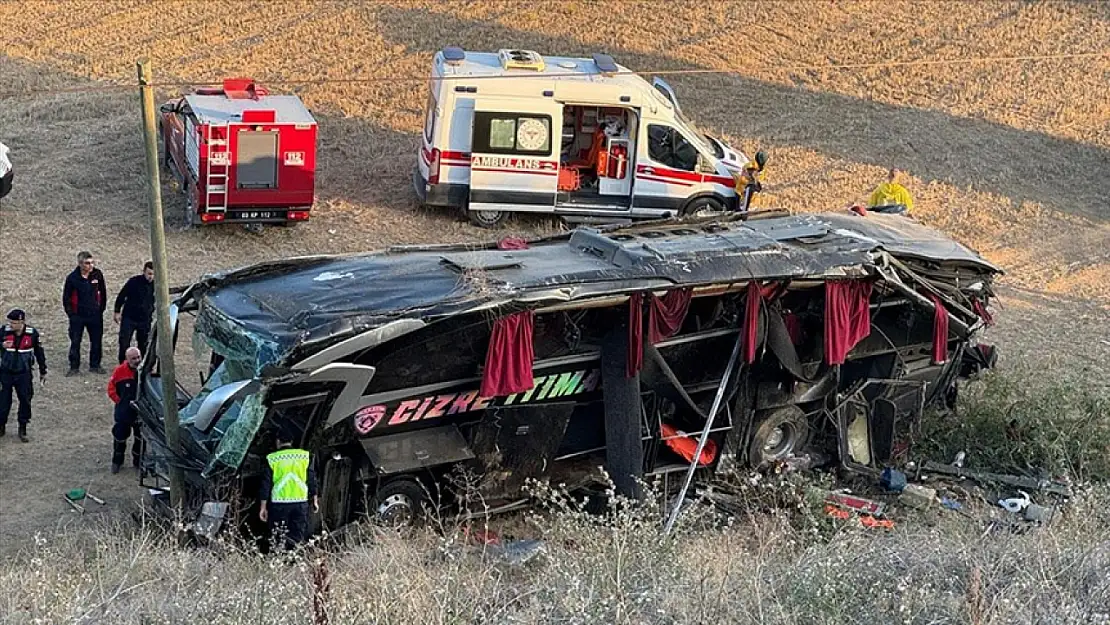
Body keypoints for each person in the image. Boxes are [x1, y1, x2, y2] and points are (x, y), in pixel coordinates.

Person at [259, 431, 319, 550]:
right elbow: (312, 479)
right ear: (292, 442)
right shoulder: (304, 457)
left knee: (278, 536)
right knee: (297, 536)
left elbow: (265, 485)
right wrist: (315, 499)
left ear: (278, 442)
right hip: (300, 503)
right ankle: (293, 560)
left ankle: (279, 560)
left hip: (279, 504)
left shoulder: (272, 459)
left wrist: (263, 507)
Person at [0, 309, 47, 442]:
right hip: (5, 372)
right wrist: (1, 345)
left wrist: (43, 370)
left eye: (14, 323)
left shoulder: (32, 334)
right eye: (10, 322)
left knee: (25, 400)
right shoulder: (3, 332)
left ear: (22, 322)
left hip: (24, 374)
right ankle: (1, 425)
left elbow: (39, 353)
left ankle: (23, 427)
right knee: (3, 402)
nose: (11, 325)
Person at [62, 251, 108, 375]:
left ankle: (95, 365)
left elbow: (103, 293)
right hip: (78, 316)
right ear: (80, 263)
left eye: (92, 263)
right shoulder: (72, 278)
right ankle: (74, 367)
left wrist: (100, 309)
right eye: (87, 263)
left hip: (95, 316)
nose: (91, 266)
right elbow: (66, 298)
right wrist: (71, 314)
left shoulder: (97, 275)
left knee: (96, 341)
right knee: (75, 341)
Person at [107, 346, 144, 473]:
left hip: (140, 412)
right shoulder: (119, 372)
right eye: (133, 358)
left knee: (140, 438)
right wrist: (120, 402)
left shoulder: (144, 371)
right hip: (124, 413)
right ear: (127, 359)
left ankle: (138, 462)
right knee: (120, 436)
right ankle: (117, 462)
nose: (137, 360)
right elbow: (111, 389)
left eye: (138, 357)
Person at [114, 261, 155, 364]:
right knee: (124, 342)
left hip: (145, 320)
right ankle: (123, 365)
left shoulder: (157, 285)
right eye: (149, 273)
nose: (151, 277)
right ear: (144, 272)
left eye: (153, 274)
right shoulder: (134, 282)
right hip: (129, 317)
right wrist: (117, 311)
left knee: (143, 343)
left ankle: (141, 365)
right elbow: (121, 296)